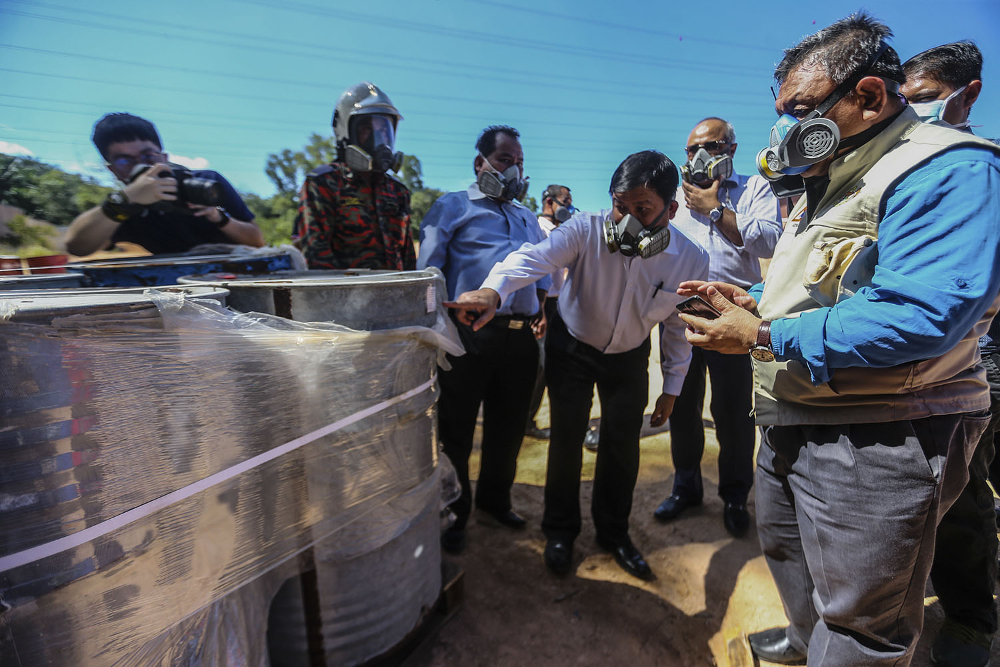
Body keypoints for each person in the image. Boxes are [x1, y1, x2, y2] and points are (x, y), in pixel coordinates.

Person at [676, 14, 1000, 666]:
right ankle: (804, 640)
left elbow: (921, 313)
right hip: (799, 414)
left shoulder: (946, 167)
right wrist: (758, 302)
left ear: (870, 96)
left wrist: (765, 331)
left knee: (862, 623)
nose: (784, 131)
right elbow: (829, 286)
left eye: (798, 111)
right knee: (787, 550)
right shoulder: (828, 178)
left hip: (879, 433)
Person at [446, 150, 709, 581]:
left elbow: (679, 325)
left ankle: (613, 533)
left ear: (671, 210)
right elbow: (534, 258)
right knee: (566, 440)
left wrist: (673, 386)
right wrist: (494, 291)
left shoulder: (690, 258)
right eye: (619, 206)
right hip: (572, 347)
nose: (625, 221)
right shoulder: (586, 228)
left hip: (629, 356)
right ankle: (560, 532)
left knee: (622, 448)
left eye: (641, 209)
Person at [902, 41, 997, 667]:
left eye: (925, 100)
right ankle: (957, 616)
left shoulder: (981, 169)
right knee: (941, 495)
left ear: (968, 94)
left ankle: (970, 613)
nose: (914, 115)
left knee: (968, 493)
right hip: (929, 367)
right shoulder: (903, 173)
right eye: (905, 102)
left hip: (983, 357)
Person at [417, 125, 550, 554]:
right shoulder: (450, 207)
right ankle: (456, 512)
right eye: (506, 160)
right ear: (481, 163)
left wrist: (541, 308)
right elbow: (428, 274)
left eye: (520, 163)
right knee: (456, 430)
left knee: (509, 429)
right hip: (467, 336)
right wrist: (439, 329)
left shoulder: (528, 217)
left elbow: (542, 271)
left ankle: (495, 501)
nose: (514, 170)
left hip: (520, 338)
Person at [653, 117, 781, 538]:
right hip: (682, 314)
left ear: (731, 148)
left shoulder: (754, 188)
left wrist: (715, 210)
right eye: (692, 150)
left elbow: (769, 242)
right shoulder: (675, 196)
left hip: (734, 313)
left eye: (710, 145)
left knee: (733, 415)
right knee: (683, 407)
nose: (699, 156)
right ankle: (686, 487)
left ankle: (733, 496)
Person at [65, 113, 262, 256]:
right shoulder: (122, 209)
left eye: (148, 156)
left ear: (164, 157)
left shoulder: (206, 181)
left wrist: (218, 217)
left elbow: (257, 242)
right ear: (113, 171)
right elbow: (77, 247)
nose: (141, 166)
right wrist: (125, 200)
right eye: (124, 161)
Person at [294, 82, 415, 270]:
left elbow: (407, 259)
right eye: (367, 128)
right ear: (346, 131)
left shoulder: (398, 192)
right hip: (344, 296)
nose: (379, 137)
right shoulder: (322, 184)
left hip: (394, 295)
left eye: (384, 129)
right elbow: (317, 258)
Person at [526, 183, 575, 441]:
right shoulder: (537, 228)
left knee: (557, 363)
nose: (568, 206)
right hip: (543, 304)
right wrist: (540, 310)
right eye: (565, 201)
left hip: (559, 306)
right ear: (549, 203)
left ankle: (552, 419)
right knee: (542, 366)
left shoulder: (560, 230)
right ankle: (526, 420)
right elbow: (538, 271)